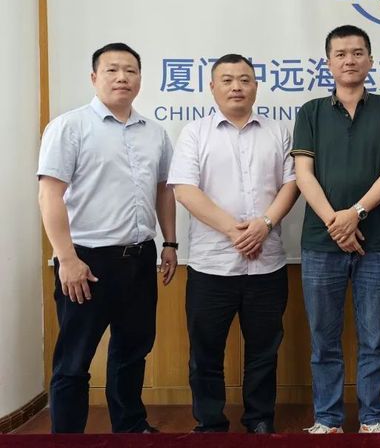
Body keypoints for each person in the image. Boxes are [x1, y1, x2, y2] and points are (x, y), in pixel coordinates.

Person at [38, 42, 177, 433]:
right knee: (74, 360)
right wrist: (66, 259)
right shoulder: (70, 127)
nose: (122, 78)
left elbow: (164, 190)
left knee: (132, 351)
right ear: (94, 77)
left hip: (140, 258)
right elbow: (49, 194)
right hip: (86, 261)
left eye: (130, 71)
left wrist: (169, 243)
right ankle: (67, 438)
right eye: (112, 70)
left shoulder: (154, 133)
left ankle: (130, 428)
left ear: (140, 79)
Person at [168, 53, 299, 434]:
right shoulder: (195, 133)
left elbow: (292, 184)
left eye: (244, 79)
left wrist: (265, 224)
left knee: (264, 352)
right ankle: (210, 424)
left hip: (267, 264)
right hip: (211, 266)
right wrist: (234, 231)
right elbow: (184, 190)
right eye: (227, 80)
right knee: (205, 354)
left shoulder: (278, 131)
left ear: (256, 86)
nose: (236, 87)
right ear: (212, 87)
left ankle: (259, 420)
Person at [292, 24, 380, 434]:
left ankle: (373, 418)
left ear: (370, 60)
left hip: (378, 243)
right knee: (324, 339)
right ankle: (328, 419)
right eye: (340, 54)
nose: (349, 60)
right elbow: (303, 174)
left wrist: (355, 213)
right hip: (321, 244)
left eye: (358, 53)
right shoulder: (311, 112)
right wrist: (335, 222)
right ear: (328, 63)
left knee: (374, 338)